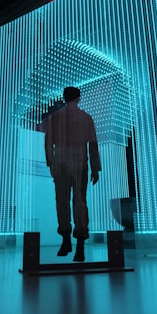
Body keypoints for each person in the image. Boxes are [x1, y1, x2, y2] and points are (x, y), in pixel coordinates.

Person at [45, 86, 101, 262]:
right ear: (79, 98)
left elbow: (48, 144)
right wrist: (95, 168)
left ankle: (66, 241)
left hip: (61, 164)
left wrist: (51, 163)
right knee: (79, 202)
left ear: (64, 97)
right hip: (79, 165)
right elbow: (92, 144)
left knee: (62, 202)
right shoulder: (86, 118)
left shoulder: (55, 118)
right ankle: (80, 246)